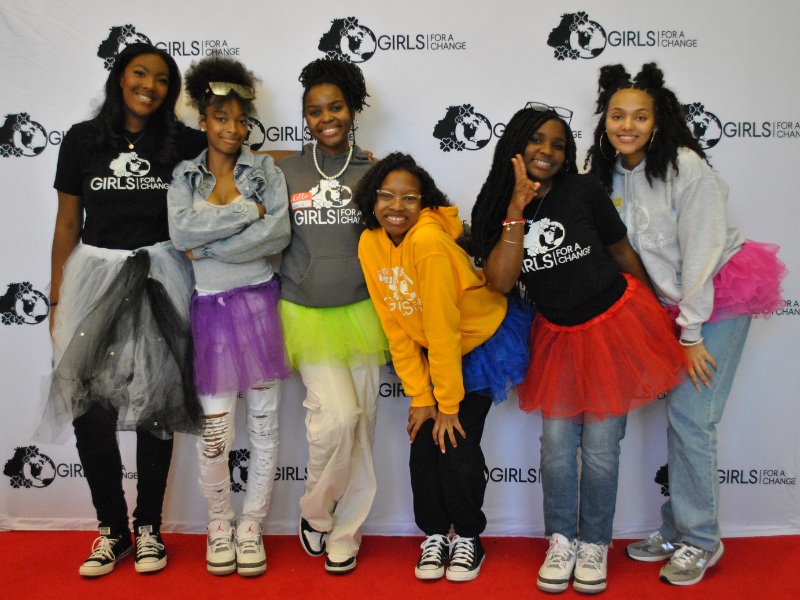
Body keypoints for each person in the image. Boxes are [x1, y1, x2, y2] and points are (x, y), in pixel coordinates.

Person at [470, 106, 688, 594]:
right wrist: (516, 210)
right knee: (555, 452)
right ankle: (561, 539)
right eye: (537, 141)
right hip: (558, 337)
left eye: (559, 145)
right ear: (516, 144)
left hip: (616, 326)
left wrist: (656, 316)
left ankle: (594, 543)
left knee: (603, 451)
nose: (547, 151)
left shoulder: (583, 190)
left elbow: (621, 254)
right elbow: (502, 281)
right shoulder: (493, 208)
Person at [586, 63, 787, 587]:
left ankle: (700, 540)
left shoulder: (684, 167)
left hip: (717, 297)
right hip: (671, 307)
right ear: (604, 120)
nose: (626, 125)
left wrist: (692, 334)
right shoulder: (608, 173)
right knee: (682, 420)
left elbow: (702, 253)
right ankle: (677, 529)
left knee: (693, 418)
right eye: (617, 115)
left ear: (658, 121)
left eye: (640, 116)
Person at [42, 43, 206, 577]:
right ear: (120, 78)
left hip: (160, 276)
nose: (150, 86)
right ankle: (110, 528)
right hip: (95, 278)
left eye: (162, 79)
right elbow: (68, 222)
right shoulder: (82, 140)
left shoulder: (184, 142)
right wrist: (58, 296)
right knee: (92, 409)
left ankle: (149, 528)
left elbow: (239, 155)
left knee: (157, 405)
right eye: (140, 74)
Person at [354, 153, 531, 582]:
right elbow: (396, 326)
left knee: (456, 443)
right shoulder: (369, 243)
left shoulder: (429, 243)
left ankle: (469, 536)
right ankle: (435, 533)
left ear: (425, 203)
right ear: (372, 199)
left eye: (409, 198)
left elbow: (443, 329)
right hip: (434, 350)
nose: (397, 206)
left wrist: (446, 404)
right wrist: (420, 397)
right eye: (387, 196)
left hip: (477, 342)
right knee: (422, 446)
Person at [167, 57, 291, 577]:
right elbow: (181, 236)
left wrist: (212, 242)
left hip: (260, 305)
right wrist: (245, 213)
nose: (232, 129)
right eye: (221, 118)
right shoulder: (184, 174)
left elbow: (277, 236)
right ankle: (219, 524)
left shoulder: (265, 171)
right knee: (215, 431)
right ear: (203, 120)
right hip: (211, 313)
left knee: (264, 427)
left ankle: (251, 526)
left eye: (241, 120)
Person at [277, 58, 389, 574]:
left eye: (336, 107)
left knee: (361, 428)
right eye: (314, 111)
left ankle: (347, 532)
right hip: (305, 311)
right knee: (336, 419)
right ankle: (316, 513)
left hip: (363, 311)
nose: (326, 117)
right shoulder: (285, 170)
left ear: (353, 109)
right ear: (304, 118)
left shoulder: (375, 172)